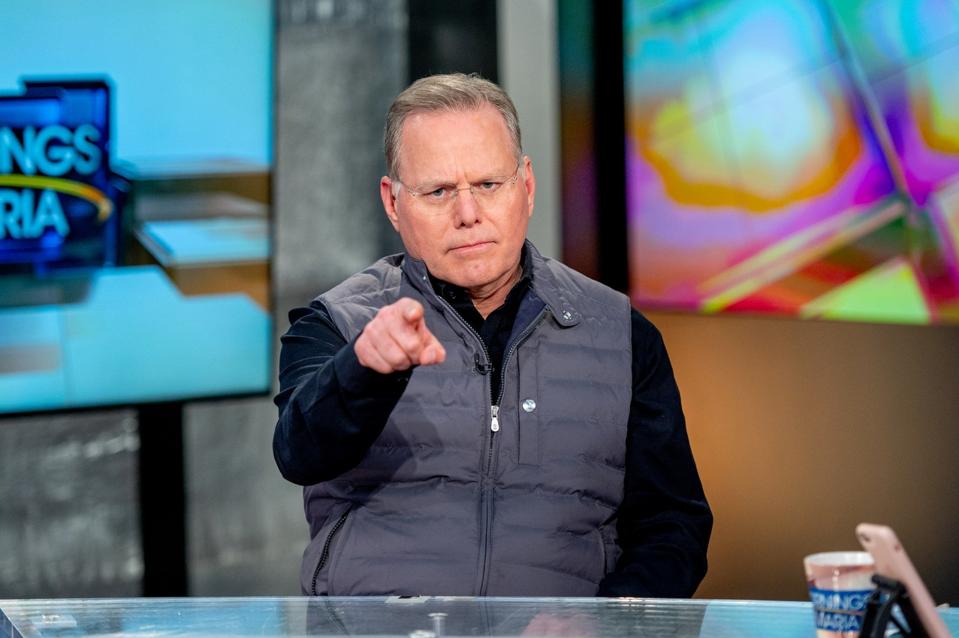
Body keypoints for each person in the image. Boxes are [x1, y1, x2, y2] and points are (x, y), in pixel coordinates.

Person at [273, 73, 712, 597]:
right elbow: (299, 454)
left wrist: (603, 623)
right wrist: (364, 368)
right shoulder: (336, 323)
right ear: (393, 203)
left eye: (488, 185)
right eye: (438, 191)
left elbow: (673, 528)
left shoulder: (621, 333)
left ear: (526, 186)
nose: (468, 215)